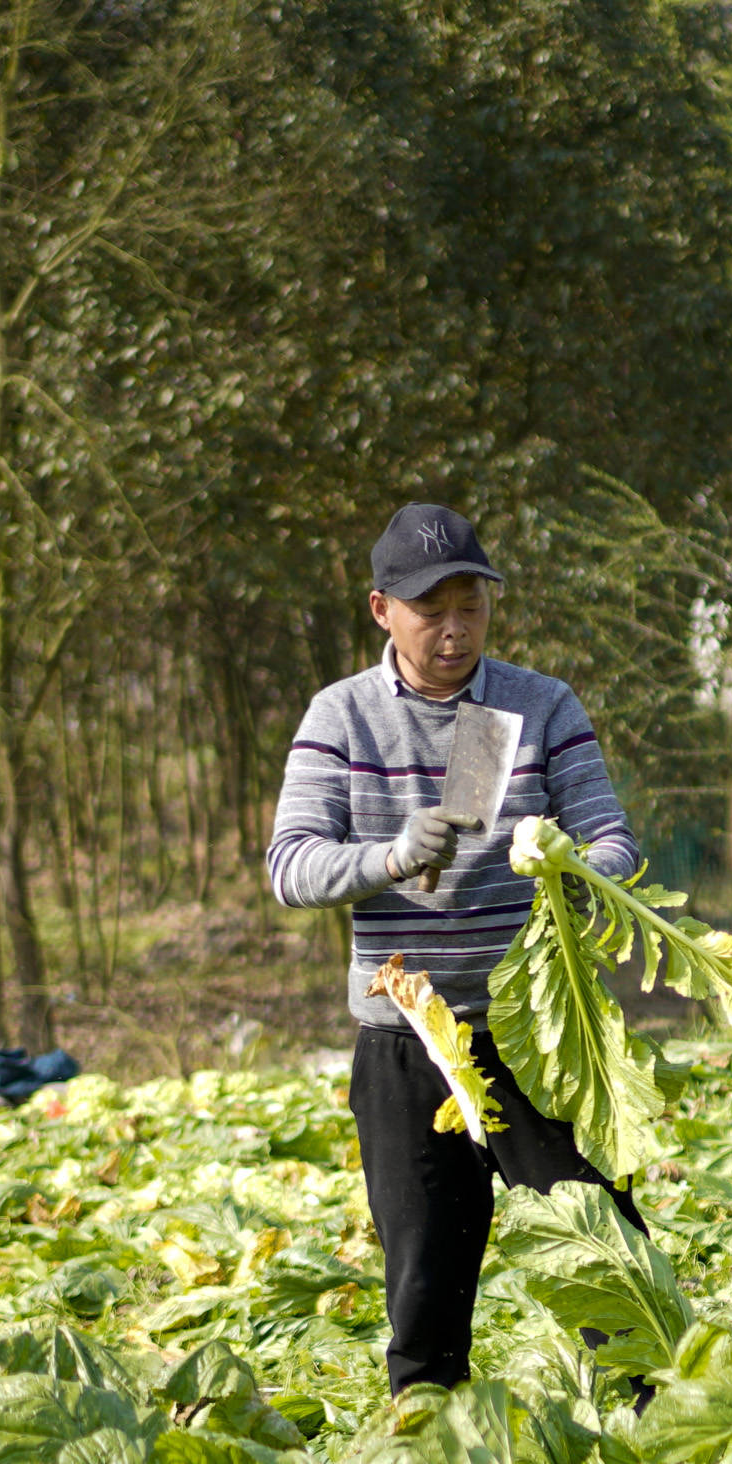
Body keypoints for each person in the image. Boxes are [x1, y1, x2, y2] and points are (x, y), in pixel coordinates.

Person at [267, 504, 645, 1391]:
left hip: (537, 1037)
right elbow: (289, 866)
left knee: (611, 1269)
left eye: (469, 606)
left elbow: (613, 840)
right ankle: (428, 1461)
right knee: (426, 1302)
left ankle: (659, 1441)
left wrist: (574, 867)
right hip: (408, 1041)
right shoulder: (342, 718)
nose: (453, 628)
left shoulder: (539, 705)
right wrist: (391, 857)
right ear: (381, 611)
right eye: (430, 609)